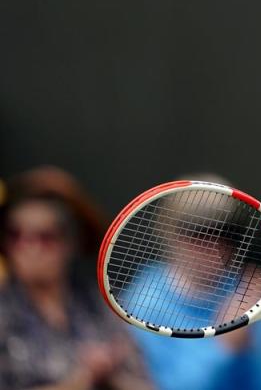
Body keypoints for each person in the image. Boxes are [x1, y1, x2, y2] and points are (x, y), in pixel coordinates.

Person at [128, 173, 261, 390]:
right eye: (198, 232)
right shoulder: (142, 302)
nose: (215, 245)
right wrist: (226, 347)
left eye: (227, 232)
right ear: (172, 233)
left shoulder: (247, 290)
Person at [0, 167, 153, 390]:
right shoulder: (4, 311)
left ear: (70, 242)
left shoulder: (99, 306)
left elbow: (146, 384)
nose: (29, 248)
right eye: (16, 235)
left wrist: (110, 373)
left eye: (45, 237)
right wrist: (81, 380)